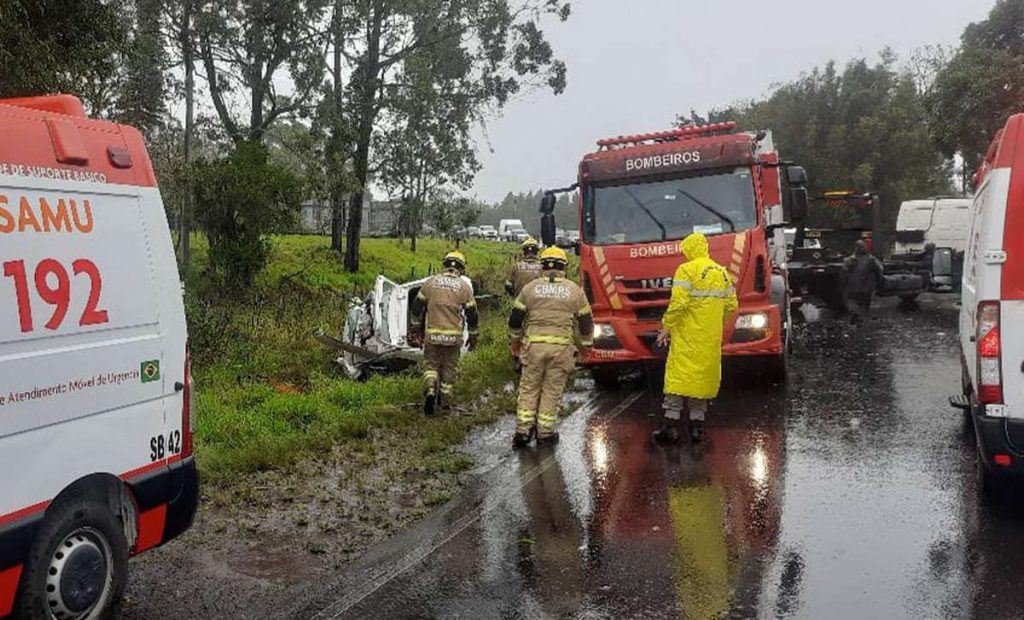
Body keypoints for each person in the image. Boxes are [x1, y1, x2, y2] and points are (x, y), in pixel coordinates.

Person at [655, 233, 738, 443]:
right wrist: (715, 323)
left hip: (687, 337)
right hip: (709, 338)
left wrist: (666, 327)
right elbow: (731, 305)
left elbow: (679, 305)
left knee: (678, 379)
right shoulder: (722, 272)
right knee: (702, 381)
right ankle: (697, 429)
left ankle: (670, 428)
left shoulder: (686, 270)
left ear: (690, 249)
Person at [509, 247, 593, 448]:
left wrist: (515, 342)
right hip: (561, 349)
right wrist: (586, 348)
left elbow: (515, 319)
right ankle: (545, 432)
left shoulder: (530, 289)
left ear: (542, 265)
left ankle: (523, 430)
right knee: (552, 390)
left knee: (529, 388)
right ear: (564, 266)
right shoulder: (574, 291)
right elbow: (586, 322)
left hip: (534, 348)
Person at [409, 251, 479, 416]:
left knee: (431, 366)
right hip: (453, 338)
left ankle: (431, 390)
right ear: (461, 268)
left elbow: (416, 307)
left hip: (432, 335)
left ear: (445, 265)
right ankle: (445, 403)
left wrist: (415, 328)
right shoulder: (464, 288)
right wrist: (474, 336)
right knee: (449, 369)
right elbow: (473, 315)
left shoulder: (430, 283)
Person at [843, 239, 884, 324]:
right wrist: (880, 282)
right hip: (867, 287)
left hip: (853, 287)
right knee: (865, 304)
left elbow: (844, 272)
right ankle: (862, 319)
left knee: (854, 301)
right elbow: (879, 270)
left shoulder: (850, 259)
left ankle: (856, 313)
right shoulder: (871, 259)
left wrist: (845, 284)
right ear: (864, 247)